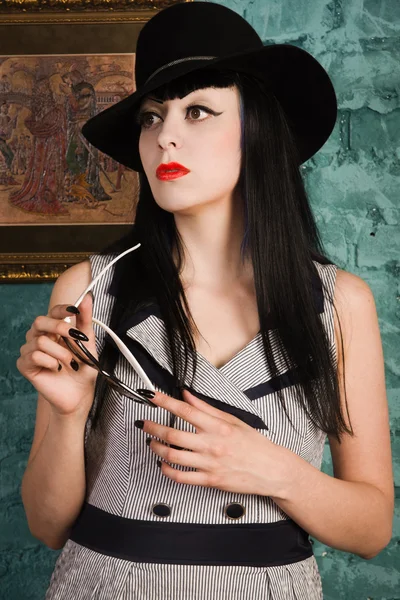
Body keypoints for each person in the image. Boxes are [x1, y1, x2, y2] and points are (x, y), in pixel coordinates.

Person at [17, 2, 394, 599]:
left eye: (198, 111)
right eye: (151, 117)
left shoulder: (340, 302)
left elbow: (372, 528)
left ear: (257, 129)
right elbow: (45, 524)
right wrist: (68, 415)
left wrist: (275, 472)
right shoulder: (90, 291)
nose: (165, 134)